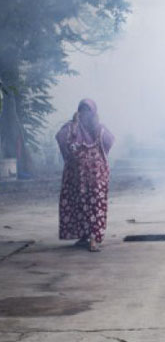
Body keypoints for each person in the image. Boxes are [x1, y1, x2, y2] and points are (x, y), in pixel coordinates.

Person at [56, 99, 114, 252]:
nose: (85, 114)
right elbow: (61, 137)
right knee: (82, 204)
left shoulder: (96, 128)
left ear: (93, 112)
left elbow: (109, 141)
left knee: (94, 205)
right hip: (81, 176)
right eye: (83, 110)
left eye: (88, 110)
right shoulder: (74, 127)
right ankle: (84, 237)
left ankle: (93, 239)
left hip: (92, 176)